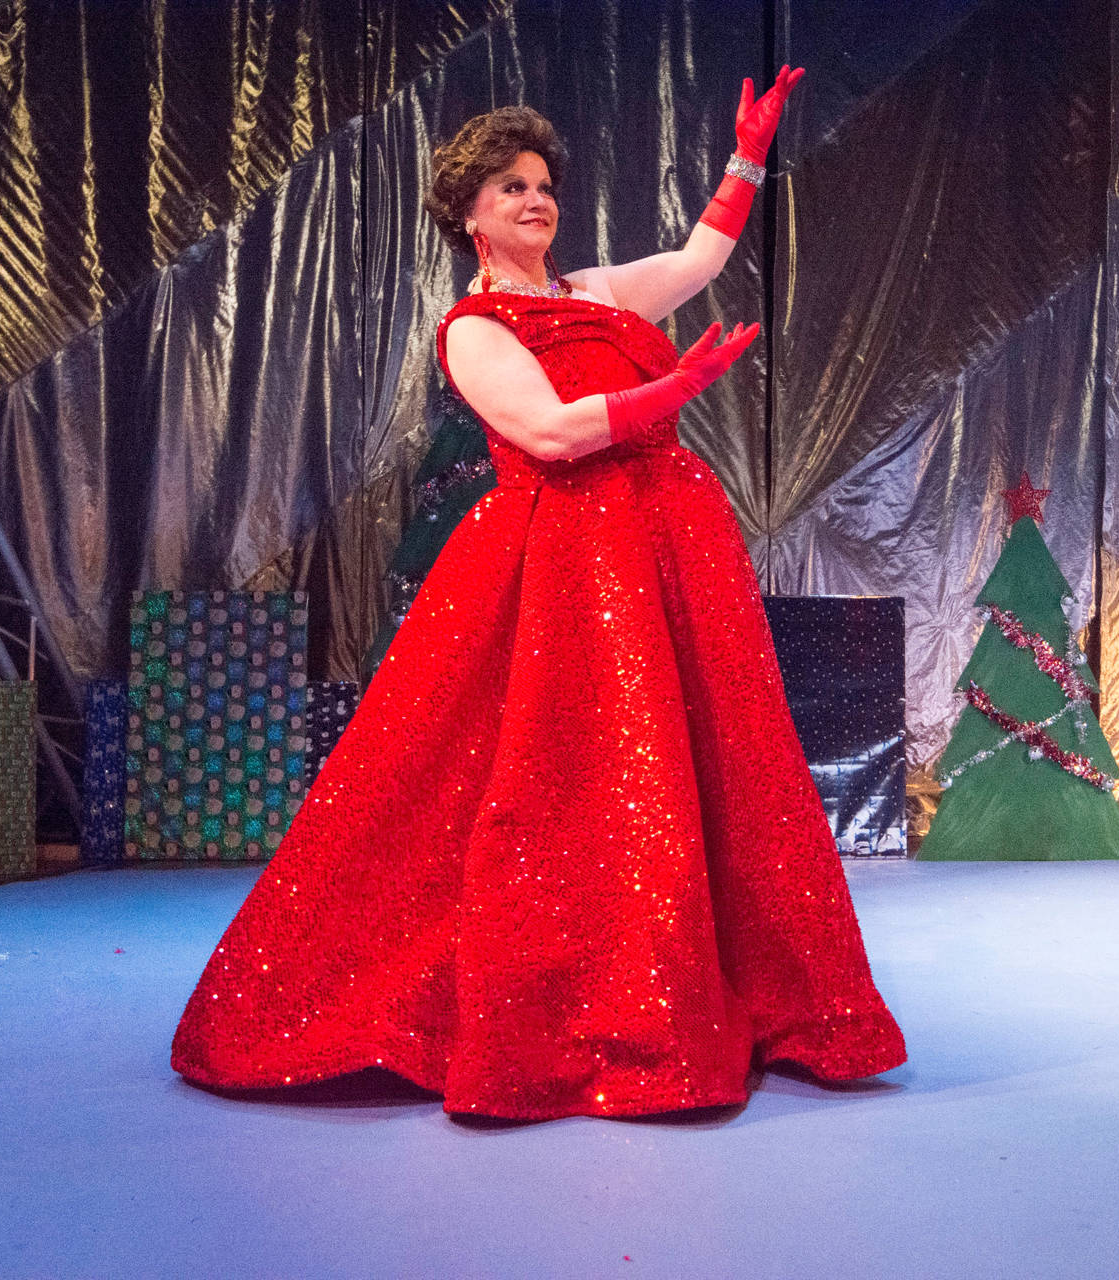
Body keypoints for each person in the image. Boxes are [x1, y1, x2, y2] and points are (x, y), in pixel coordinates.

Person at [171, 67, 906, 1121]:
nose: (535, 200)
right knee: (565, 774)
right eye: (510, 187)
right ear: (469, 212)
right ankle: (575, 1007)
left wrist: (748, 153)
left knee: (703, 766)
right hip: (568, 558)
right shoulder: (474, 329)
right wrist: (677, 388)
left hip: (666, 546)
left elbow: (702, 256)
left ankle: (700, 989)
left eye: (543, 184)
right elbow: (554, 433)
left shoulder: (595, 293)